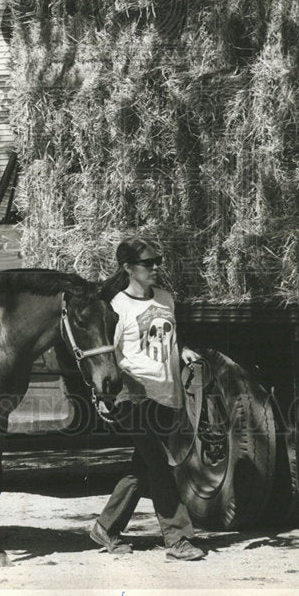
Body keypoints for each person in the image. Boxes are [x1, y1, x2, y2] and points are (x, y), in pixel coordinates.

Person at [90, 237, 206, 561]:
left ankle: (105, 526)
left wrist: (183, 351)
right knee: (158, 465)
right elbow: (107, 355)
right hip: (133, 395)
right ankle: (178, 538)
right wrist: (104, 394)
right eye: (148, 263)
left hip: (166, 393)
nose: (155, 267)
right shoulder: (117, 306)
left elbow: (169, 338)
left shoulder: (166, 298)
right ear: (128, 268)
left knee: (142, 466)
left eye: (158, 261)